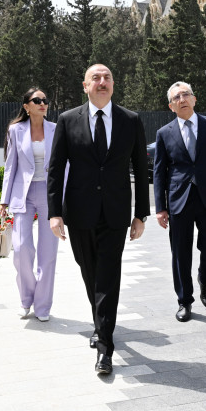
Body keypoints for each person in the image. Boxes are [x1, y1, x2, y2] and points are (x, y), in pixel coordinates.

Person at [47, 64, 150, 375]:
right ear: (85, 85)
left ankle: (105, 346)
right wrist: (54, 213)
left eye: (107, 78)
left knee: (108, 276)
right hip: (79, 212)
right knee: (89, 272)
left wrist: (140, 214)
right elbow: (55, 169)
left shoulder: (130, 120)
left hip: (115, 214)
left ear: (113, 85)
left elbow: (141, 170)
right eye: (96, 78)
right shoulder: (67, 120)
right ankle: (99, 322)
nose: (102, 82)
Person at [153, 81, 206, 322]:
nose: (182, 99)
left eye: (186, 94)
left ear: (194, 99)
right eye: (177, 97)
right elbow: (159, 172)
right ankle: (184, 301)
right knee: (180, 253)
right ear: (171, 106)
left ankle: (205, 279)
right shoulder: (164, 133)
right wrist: (160, 207)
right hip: (179, 200)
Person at [0, 88, 58, 322]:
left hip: (49, 194)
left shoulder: (56, 129)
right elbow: (10, 165)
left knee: (48, 253)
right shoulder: (16, 130)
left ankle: (42, 306)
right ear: (27, 106)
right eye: (37, 100)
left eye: (45, 100)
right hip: (22, 195)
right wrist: (4, 200)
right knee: (22, 250)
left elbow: (65, 164)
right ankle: (26, 299)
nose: (43, 104)